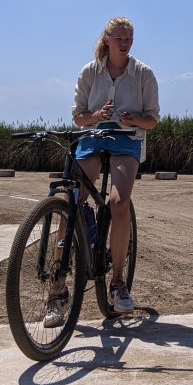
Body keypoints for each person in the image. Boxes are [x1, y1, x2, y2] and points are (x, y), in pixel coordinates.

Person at [44, 16, 160, 327]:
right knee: (68, 202)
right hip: (93, 139)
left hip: (126, 142)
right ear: (107, 40)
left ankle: (118, 283)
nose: (125, 43)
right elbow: (79, 117)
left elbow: (152, 120)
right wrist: (97, 115)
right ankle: (58, 289)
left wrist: (132, 119)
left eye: (129, 38)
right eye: (119, 38)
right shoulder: (90, 72)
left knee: (118, 203)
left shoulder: (143, 74)